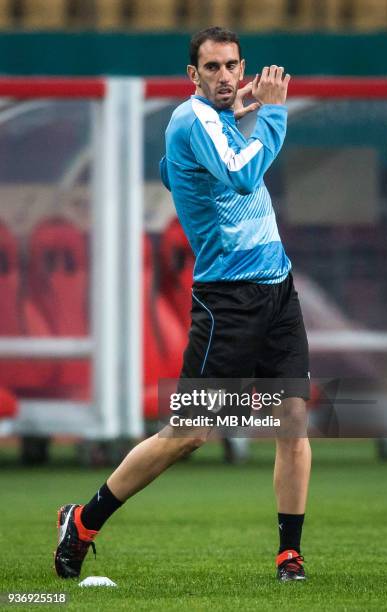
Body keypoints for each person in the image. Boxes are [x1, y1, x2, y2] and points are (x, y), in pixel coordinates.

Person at [54, 26, 311, 583]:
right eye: (213, 68)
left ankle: (289, 554)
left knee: (294, 419)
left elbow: (175, 173)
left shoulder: (207, 122)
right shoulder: (190, 119)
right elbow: (244, 175)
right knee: (190, 432)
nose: (225, 76)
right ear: (192, 75)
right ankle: (82, 519)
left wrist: (240, 109)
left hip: (278, 289)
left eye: (232, 66)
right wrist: (271, 111)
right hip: (230, 299)